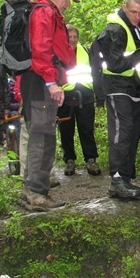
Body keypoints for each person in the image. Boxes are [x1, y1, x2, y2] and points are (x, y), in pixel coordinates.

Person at [20, 0, 78, 209]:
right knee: (42, 138)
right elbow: (41, 49)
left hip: (39, 80)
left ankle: (32, 190)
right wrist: (50, 83)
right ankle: (36, 195)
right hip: (40, 81)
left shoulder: (45, 11)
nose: (68, 4)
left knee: (41, 135)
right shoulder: (44, 12)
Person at [95, 0, 140, 199]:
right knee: (122, 130)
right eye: (134, 12)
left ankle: (125, 178)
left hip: (135, 85)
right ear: (125, 7)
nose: (137, 16)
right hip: (116, 84)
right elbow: (115, 64)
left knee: (134, 130)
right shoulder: (115, 29)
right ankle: (117, 179)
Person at [58, 24, 101, 176]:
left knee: (87, 129)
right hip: (65, 96)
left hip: (85, 94)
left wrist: (98, 94)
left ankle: (91, 159)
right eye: (70, 37)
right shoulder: (58, 53)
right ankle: (69, 160)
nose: (73, 39)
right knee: (66, 130)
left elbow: (95, 72)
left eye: (75, 37)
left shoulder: (86, 51)